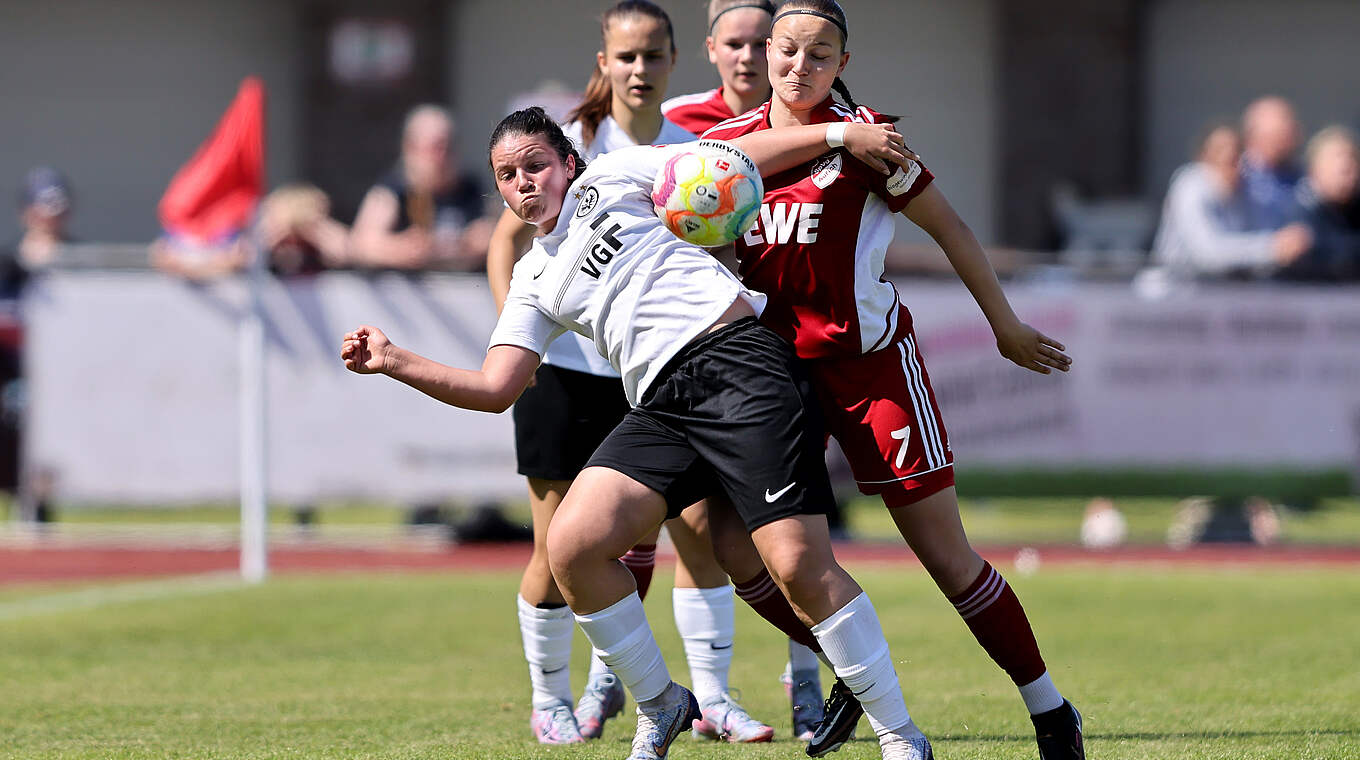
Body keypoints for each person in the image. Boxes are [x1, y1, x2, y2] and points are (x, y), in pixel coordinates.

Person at [344, 105, 933, 760]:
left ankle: (902, 737)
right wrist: (393, 361)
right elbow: (495, 388)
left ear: (569, 164)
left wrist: (837, 135)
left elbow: (733, 163)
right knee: (571, 548)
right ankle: (663, 703)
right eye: (507, 176)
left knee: (796, 565)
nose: (524, 183)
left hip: (739, 364)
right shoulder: (533, 280)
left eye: (536, 164)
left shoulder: (618, 174)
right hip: (661, 406)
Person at [702, 2, 1083, 757]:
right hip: (770, 376)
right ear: (764, 52)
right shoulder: (720, 151)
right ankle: (850, 671)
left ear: (842, 64)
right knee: (734, 548)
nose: (798, 67)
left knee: (946, 557)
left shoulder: (873, 142)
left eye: (820, 55)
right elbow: (699, 250)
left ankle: (1049, 707)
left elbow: (951, 228)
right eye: (787, 50)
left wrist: (1004, 325)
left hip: (868, 366)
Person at [484, 1, 776, 745]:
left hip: (660, 370)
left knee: (701, 531)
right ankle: (556, 698)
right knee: (559, 549)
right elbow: (505, 248)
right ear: (604, 63)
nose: (639, 69)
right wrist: (525, 347)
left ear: (677, 61)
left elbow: (712, 238)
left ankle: (709, 697)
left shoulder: (688, 148)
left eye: (652, 56)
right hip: (567, 375)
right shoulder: (565, 148)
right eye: (626, 56)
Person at [663, 0, 828, 741]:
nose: (750, 54)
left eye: (764, 41)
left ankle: (808, 683)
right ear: (711, 49)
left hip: (785, 360)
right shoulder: (679, 125)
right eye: (736, 41)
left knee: (789, 541)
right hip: (695, 355)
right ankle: (711, 697)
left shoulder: (811, 120)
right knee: (695, 524)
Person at [1151, 123, 1310, 279]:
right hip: (1171, 291)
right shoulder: (1190, 185)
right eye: (1219, 151)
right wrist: (1271, 248)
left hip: (1223, 294)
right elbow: (1207, 255)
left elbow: (1262, 234)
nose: (1228, 157)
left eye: (1235, 152)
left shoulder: (1246, 188)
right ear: (1202, 156)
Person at [350, 104, 492, 271]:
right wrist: (399, 249)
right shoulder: (393, 190)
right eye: (436, 148)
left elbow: (499, 232)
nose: (443, 157)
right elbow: (360, 245)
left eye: (449, 147)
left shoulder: (471, 188)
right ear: (411, 149)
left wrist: (483, 239)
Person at [662, 0, 775, 135]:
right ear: (712, 48)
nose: (747, 57)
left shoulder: (800, 119)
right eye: (734, 44)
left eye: (760, 44)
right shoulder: (673, 118)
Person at [1278, 126, 1360, 281]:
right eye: (1336, 158)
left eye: (1352, 159)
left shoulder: (1355, 205)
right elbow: (1304, 255)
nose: (1346, 166)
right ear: (1313, 169)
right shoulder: (1296, 208)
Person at [2, 167, 74, 297]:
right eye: (39, 213)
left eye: (58, 213)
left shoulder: (83, 258)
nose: (49, 219)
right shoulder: (5, 264)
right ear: (25, 212)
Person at [1241, 96, 1304, 231]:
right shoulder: (1238, 177)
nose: (1286, 142)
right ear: (1252, 138)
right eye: (1276, 135)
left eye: (1290, 133)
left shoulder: (1303, 176)